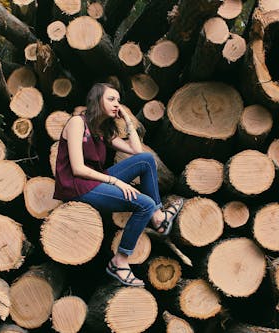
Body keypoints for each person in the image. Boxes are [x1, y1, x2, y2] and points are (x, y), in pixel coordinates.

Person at [53, 82, 184, 287]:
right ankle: (119, 261)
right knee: (144, 204)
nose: (117, 104)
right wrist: (116, 182)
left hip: (93, 180)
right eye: (111, 99)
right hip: (76, 186)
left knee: (146, 160)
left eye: (119, 101)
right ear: (97, 100)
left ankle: (158, 218)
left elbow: (137, 151)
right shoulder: (77, 123)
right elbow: (77, 168)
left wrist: (128, 121)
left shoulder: (101, 129)